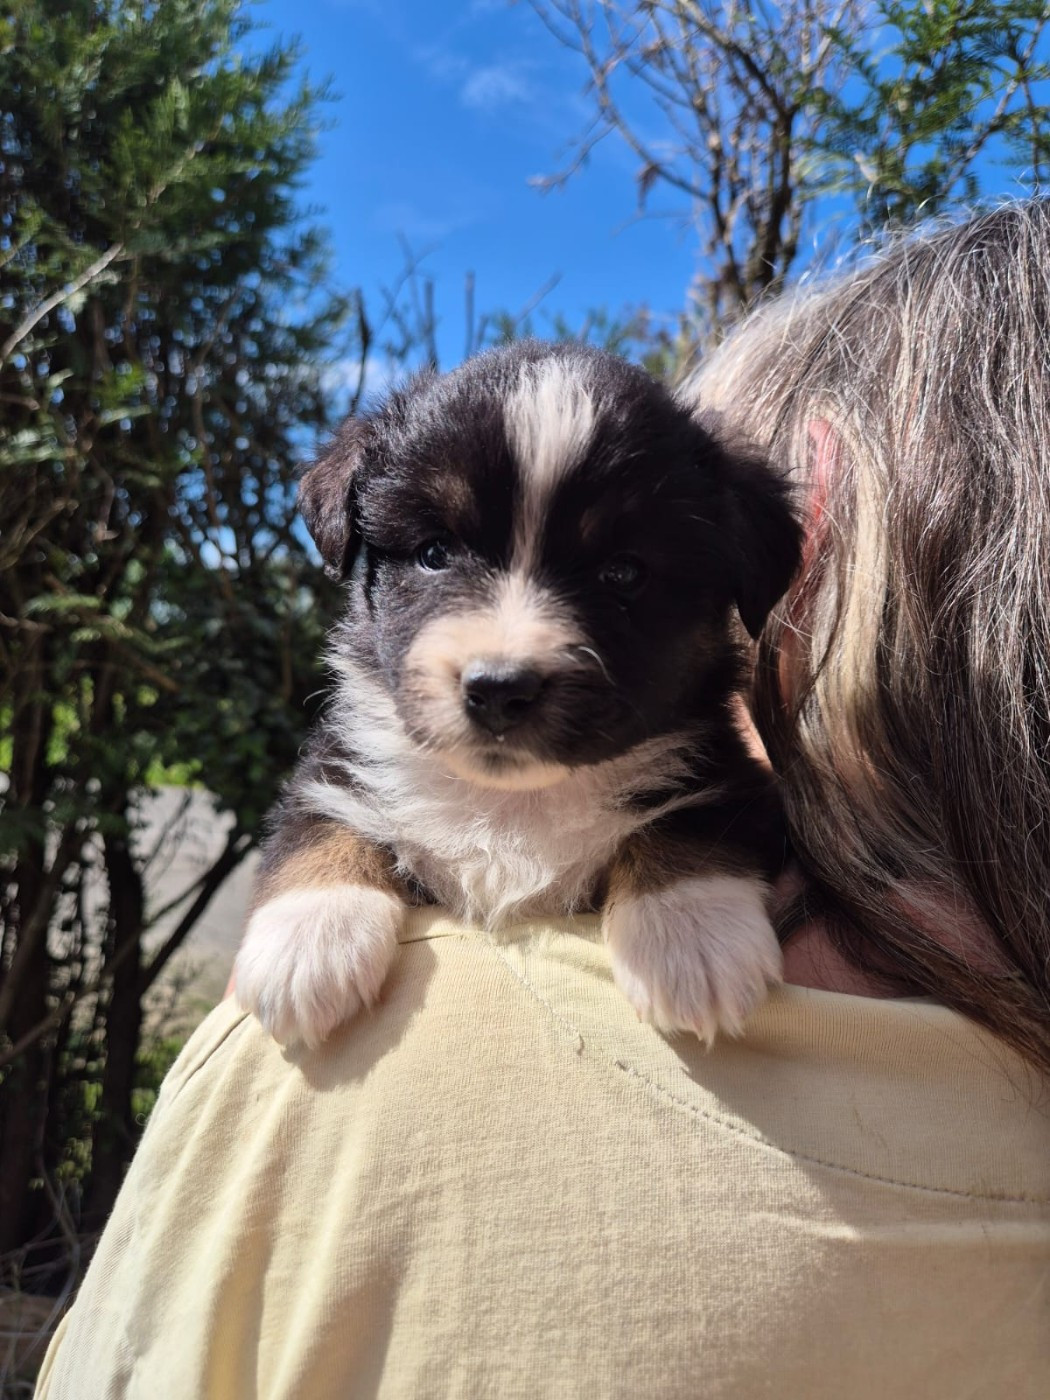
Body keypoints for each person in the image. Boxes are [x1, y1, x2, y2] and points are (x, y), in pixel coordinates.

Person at [35, 202, 1050, 1399]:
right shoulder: (364, 766)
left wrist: (676, 860)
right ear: (359, 552)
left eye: (617, 574)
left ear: (765, 587)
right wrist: (327, 868)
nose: (508, 646)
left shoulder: (706, 791)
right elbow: (329, 799)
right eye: (431, 556)